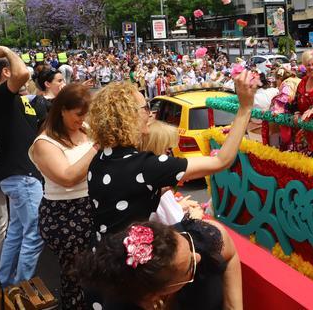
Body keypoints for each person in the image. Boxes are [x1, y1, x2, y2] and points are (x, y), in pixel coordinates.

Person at [86, 71, 257, 238]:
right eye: (145, 107)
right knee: (222, 240)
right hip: (135, 259)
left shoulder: (99, 159)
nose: (150, 113)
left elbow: (127, 197)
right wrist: (245, 108)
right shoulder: (146, 165)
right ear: (128, 116)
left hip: (106, 254)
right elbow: (221, 161)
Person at [29, 83, 98, 309]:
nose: (82, 120)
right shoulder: (44, 142)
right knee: (76, 274)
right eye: (78, 115)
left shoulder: (84, 129)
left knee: (95, 269)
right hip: (64, 213)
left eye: (85, 115)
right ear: (62, 110)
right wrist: (97, 147)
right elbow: (67, 177)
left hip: (91, 206)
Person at [78, 220, 242, 309]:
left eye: (188, 243)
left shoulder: (203, 239)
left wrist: (233, 305)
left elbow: (230, 253)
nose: (198, 257)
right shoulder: (120, 302)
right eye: (189, 269)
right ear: (154, 295)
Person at [0, 47, 43, 287]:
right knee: (34, 234)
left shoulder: (18, 101)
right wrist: (3, 49)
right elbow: (23, 73)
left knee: (16, 232)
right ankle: (22, 289)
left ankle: (4, 284)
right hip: (20, 176)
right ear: (6, 72)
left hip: (21, 175)